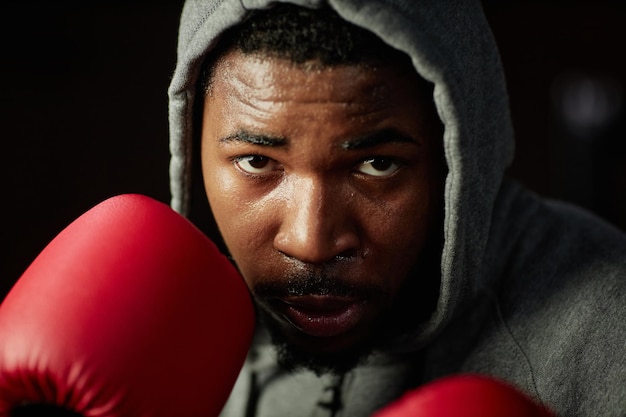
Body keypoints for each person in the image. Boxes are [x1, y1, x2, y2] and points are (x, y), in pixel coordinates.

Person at [167, 1, 626, 416]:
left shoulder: (607, 339)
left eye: (378, 164)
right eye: (257, 161)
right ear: (192, 144)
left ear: (460, 154)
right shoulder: (160, 328)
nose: (311, 242)